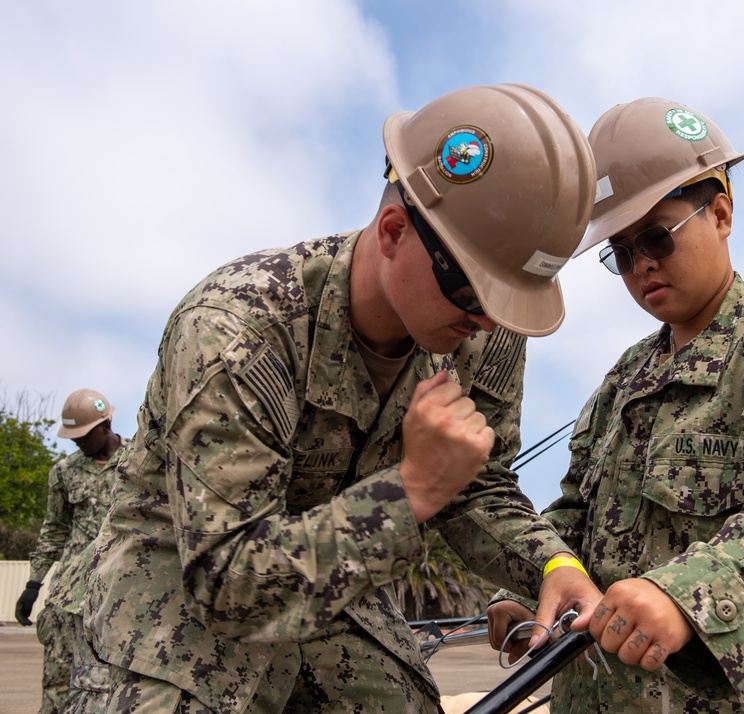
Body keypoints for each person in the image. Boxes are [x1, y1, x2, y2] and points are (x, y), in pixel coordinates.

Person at [82, 83, 601, 713]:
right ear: (393, 231)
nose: (490, 322)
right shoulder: (237, 329)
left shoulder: (483, 329)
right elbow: (226, 579)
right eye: (475, 293)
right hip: (181, 584)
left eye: (508, 301)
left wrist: (553, 567)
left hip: (336, 576)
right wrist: (411, 491)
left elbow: (478, 487)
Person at [487, 98, 744, 712]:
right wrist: (544, 581)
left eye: (656, 236)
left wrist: (688, 597)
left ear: (722, 213)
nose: (642, 264)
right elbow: (576, 512)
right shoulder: (623, 380)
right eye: (621, 254)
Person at [15, 388, 127, 714]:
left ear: (106, 424)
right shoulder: (64, 472)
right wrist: (33, 584)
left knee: (116, 687)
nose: (76, 442)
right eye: (73, 437)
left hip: (120, 595)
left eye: (84, 435)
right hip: (70, 597)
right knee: (58, 681)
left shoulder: (137, 464)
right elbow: (53, 531)